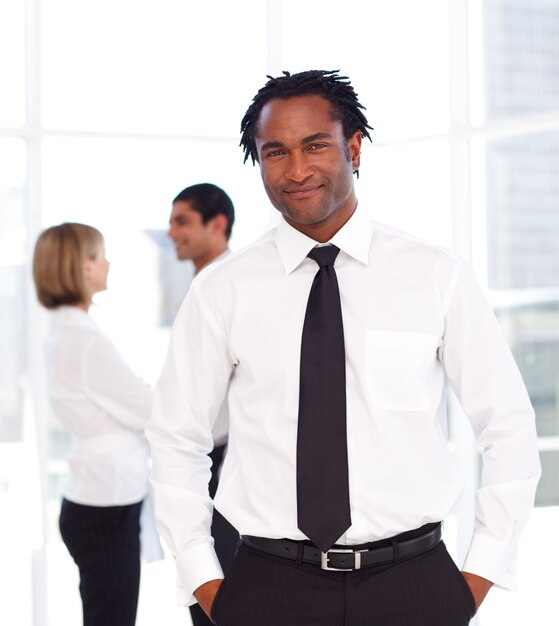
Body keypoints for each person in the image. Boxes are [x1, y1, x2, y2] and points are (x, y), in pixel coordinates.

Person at [146, 70, 541, 625]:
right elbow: (175, 438)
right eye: (275, 151)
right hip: (267, 584)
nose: (298, 169)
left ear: (353, 148)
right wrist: (203, 580)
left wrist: (476, 578)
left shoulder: (434, 275)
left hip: (414, 582)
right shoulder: (222, 290)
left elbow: (508, 427)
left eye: (316, 145)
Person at [33, 223, 161, 626]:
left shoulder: (68, 334)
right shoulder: (86, 342)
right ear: (81, 267)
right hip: (106, 510)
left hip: (95, 502)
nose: (107, 263)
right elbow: (149, 411)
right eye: (98, 255)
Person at [167, 183, 238, 626]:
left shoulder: (231, 287)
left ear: (218, 225)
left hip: (229, 466)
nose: (172, 231)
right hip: (203, 461)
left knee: (222, 601)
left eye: (182, 221)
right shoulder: (203, 287)